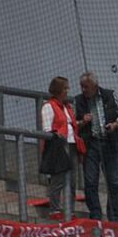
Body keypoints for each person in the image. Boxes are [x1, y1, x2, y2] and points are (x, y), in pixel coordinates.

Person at [73, 71, 118, 222]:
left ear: (95, 86)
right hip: (90, 144)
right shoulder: (78, 101)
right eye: (82, 87)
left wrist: (116, 124)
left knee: (114, 182)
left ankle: (114, 216)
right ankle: (95, 214)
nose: (84, 90)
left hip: (109, 143)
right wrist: (82, 121)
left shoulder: (110, 95)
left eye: (87, 87)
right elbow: (72, 124)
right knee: (90, 181)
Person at [38, 76, 79, 217]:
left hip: (72, 144)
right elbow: (47, 128)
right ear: (59, 90)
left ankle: (70, 210)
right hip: (59, 146)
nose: (68, 91)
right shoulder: (49, 106)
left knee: (72, 180)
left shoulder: (68, 107)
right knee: (58, 179)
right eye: (65, 88)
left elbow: (71, 125)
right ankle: (55, 209)